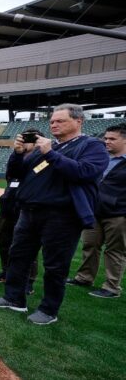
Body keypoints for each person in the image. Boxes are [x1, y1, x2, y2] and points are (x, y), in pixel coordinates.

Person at [0, 104, 108, 325]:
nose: (53, 124)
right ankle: (14, 298)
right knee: (18, 256)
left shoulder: (92, 146)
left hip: (62, 216)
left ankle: (48, 310)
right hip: (30, 212)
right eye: (52, 121)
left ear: (78, 121)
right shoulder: (49, 148)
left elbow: (84, 172)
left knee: (55, 265)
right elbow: (16, 173)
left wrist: (50, 154)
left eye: (60, 121)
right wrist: (18, 153)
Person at [67, 123, 126, 299]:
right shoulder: (101, 158)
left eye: (112, 139)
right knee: (89, 245)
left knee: (115, 250)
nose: (106, 142)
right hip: (93, 211)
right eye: (105, 138)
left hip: (119, 214)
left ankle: (112, 286)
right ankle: (84, 277)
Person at [0, 128, 42, 295]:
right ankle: (6, 272)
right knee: (4, 242)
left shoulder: (42, 158)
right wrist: (16, 154)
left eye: (29, 139)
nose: (24, 142)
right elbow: (11, 174)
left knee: (28, 247)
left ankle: (28, 281)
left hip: (27, 208)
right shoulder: (16, 156)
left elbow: (32, 176)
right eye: (23, 138)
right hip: (8, 207)